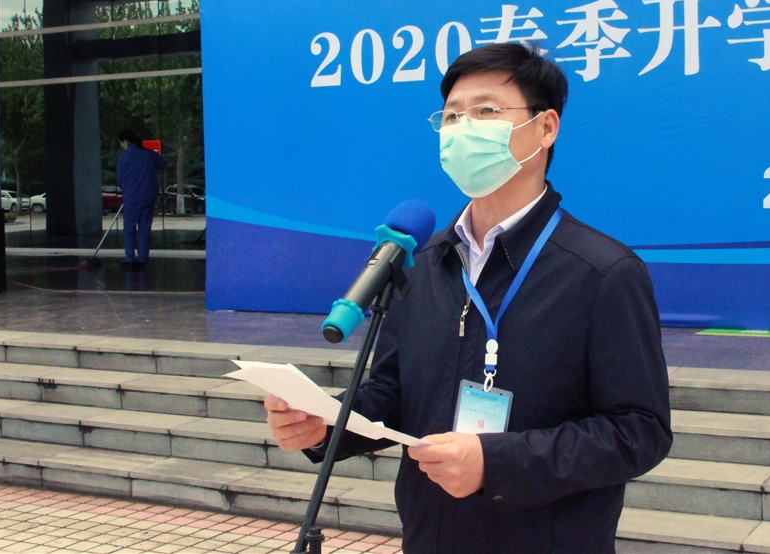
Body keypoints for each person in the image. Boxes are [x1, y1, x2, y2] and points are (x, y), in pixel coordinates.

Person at [265, 43, 672, 553]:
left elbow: (639, 431)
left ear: (546, 128)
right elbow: (392, 393)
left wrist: (496, 462)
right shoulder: (423, 263)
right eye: (452, 116)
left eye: (485, 111)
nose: (463, 129)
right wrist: (326, 423)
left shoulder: (602, 272)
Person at [115, 128, 167, 269]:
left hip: (131, 197)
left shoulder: (124, 157)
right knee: (144, 228)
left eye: (121, 143)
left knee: (129, 228)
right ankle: (143, 259)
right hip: (148, 196)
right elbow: (163, 164)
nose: (122, 145)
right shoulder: (148, 154)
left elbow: (119, 179)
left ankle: (129, 259)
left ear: (126, 141)